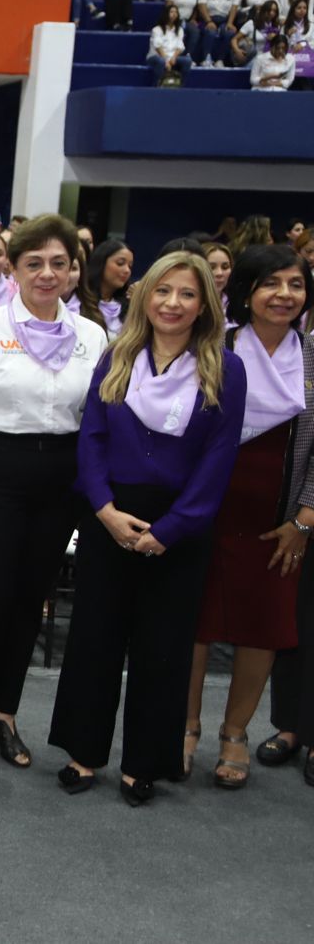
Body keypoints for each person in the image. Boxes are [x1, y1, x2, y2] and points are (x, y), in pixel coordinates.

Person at [50, 251, 246, 806]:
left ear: (205, 303)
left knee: (163, 647)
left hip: (179, 526)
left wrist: (172, 528)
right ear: (144, 296)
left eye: (187, 294)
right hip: (110, 514)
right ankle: (83, 752)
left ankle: (145, 762)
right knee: (94, 638)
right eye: (163, 291)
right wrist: (106, 511)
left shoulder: (226, 368)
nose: (173, 304)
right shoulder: (119, 354)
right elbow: (90, 437)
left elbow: (219, 459)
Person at [0, 216, 110, 768]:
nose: (46, 273)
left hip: (60, 480)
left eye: (58, 263)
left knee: (28, 603)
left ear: (73, 270)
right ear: (13, 269)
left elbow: (96, 422)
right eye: (33, 263)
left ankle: (4, 712)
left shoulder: (92, 335)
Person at [182, 245, 312, 788]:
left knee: (262, 629)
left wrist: (304, 520)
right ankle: (184, 725)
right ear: (247, 291)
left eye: (296, 284)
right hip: (208, 510)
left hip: (279, 523)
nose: (284, 295)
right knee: (195, 623)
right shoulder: (215, 347)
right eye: (271, 283)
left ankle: (234, 733)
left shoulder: (311, 358)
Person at [89, 238, 135, 333]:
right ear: (101, 262)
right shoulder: (80, 299)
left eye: (130, 266)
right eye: (120, 263)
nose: (127, 270)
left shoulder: (128, 305)